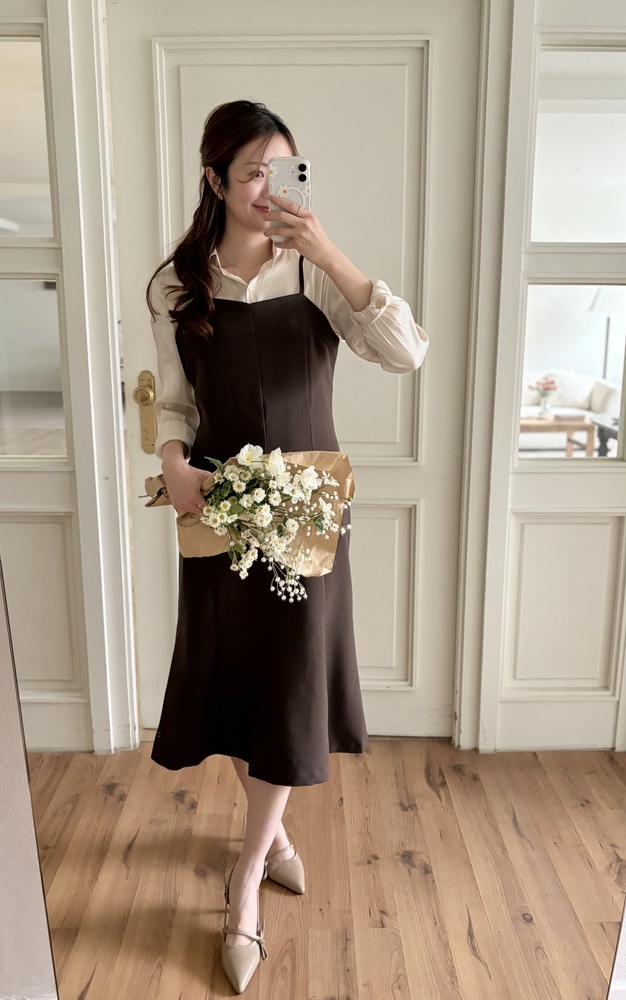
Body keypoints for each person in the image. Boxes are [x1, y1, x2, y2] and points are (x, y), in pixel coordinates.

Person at [146, 99, 428, 994]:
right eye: (253, 172)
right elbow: (173, 401)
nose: (271, 188)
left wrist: (330, 253)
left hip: (310, 517)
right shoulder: (178, 285)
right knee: (237, 684)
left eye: (286, 169)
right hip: (220, 509)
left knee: (292, 689)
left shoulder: (314, 273)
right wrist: (172, 462)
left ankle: (243, 883)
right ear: (215, 180)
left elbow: (406, 352)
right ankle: (272, 837)